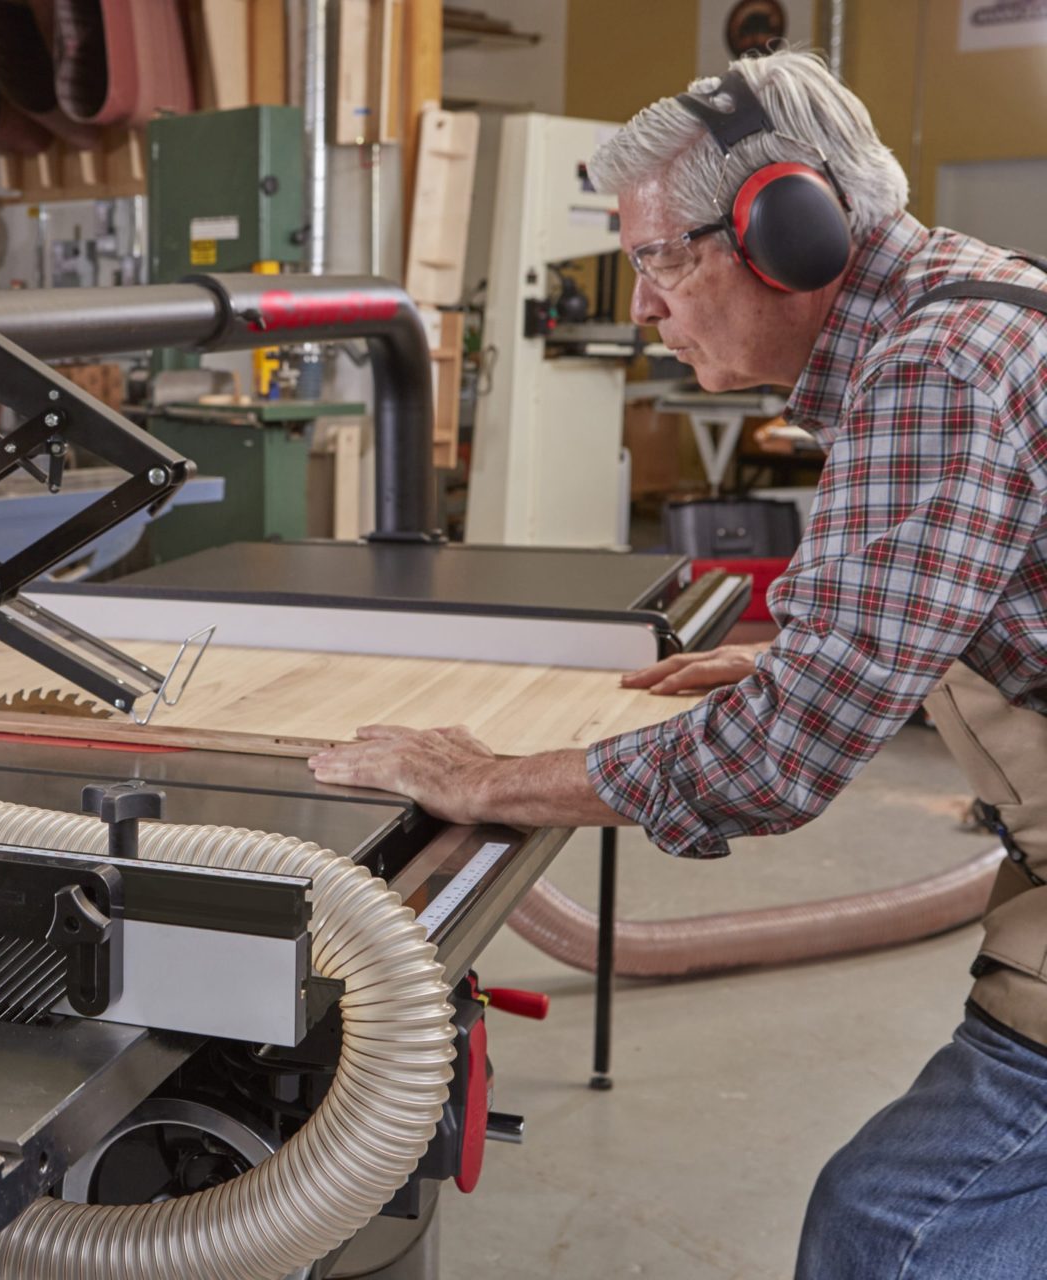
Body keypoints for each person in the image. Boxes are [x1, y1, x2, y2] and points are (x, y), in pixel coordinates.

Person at [307, 49, 1047, 1278]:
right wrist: (801, 657)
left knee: (894, 1230)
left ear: (788, 232)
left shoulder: (937, 368)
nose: (645, 305)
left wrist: (494, 778)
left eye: (658, 259)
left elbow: (778, 762)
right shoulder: (969, 301)